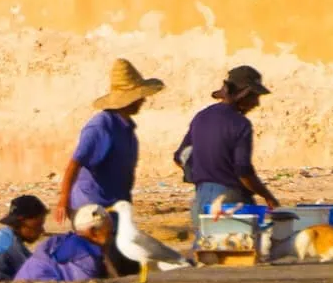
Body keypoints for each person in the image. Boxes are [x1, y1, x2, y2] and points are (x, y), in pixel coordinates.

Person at [55, 60, 163, 228]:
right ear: (130, 100)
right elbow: (74, 164)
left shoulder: (126, 128)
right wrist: (63, 200)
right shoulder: (100, 127)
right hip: (91, 209)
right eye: (139, 98)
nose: (143, 101)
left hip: (114, 208)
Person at [176, 66, 280, 228]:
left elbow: (179, 157)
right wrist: (268, 196)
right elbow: (243, 171)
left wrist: (200, 174)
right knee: (237, 249)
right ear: (243, 94)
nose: (256, 103)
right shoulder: (240, 124)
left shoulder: (201, 117)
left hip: (201, 199)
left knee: (207, 248)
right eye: (254, 97)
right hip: (229, 201)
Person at [14, 204, 114, 282]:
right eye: (109, 232)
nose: (111, 237)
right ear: (93, 232)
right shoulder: (86, 256)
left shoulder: (60, 240)